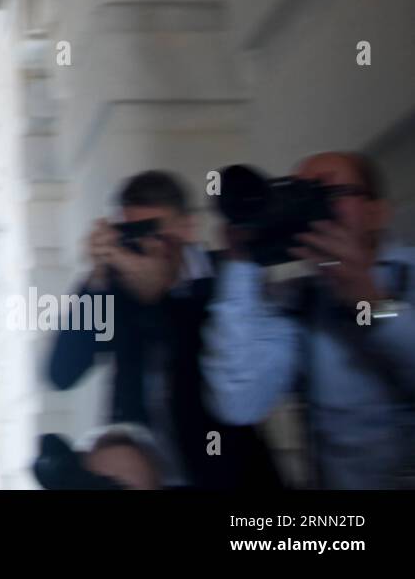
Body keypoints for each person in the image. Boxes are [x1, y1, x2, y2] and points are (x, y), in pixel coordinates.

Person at [48, 170, 281, 488]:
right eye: (130, 232)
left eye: (152, 230)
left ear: (186, 228)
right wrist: (97, 277)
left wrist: (157, 299)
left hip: (224, 472)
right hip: (144, 474)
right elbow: (62, 372)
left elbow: (224, 380)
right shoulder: (114, 289)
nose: (143, 245)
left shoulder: (228, 277)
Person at [203, 151, 415, 488]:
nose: (311, 208)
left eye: (329, 192)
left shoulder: (409, 274)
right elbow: (239, 402)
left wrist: (374, 304)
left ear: (377, 212)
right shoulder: (300, 298)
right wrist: (241, 263)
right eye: (298, 193)